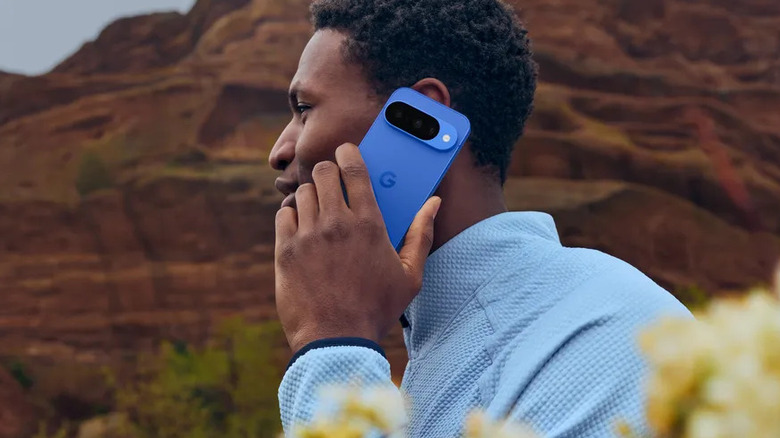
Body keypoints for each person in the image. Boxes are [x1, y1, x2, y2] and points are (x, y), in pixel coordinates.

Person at [268, 0, 691, 436]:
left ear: (420, 117)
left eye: (304, 108)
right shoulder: (444, 341)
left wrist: (332, 345)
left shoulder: (610, 336)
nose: (278, 152)